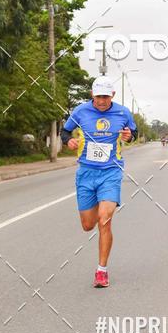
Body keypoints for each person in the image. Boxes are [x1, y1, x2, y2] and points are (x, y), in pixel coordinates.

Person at [61, 76, 137, 287]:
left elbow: (134, 133)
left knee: (105, 219)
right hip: (86, 172)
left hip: (111, 172)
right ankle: (95, 210)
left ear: (112, 95)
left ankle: (101, 271)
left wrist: (129, 136)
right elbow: (65, 131)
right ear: (92, 95)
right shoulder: (80, 111)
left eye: (105, 96)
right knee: (88, 225)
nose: (102, 101)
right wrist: (69, 141)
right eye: (98, 97)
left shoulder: (122, 112)